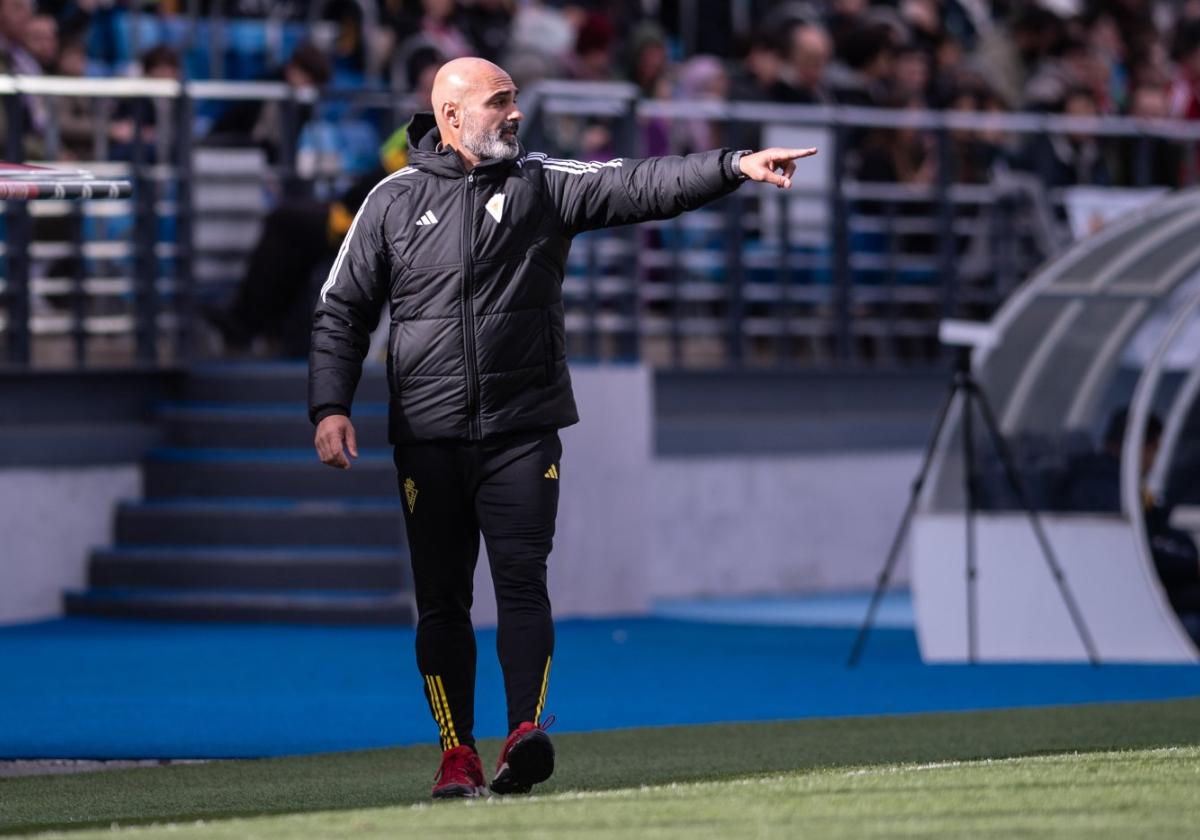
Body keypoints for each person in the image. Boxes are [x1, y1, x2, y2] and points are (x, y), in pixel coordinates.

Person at [307, 56, 817, 799]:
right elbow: (341, 310)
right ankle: (457, 755)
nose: (515, 114)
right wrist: (329, 406)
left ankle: (522, 735)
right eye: (498, 102)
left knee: (522, 584)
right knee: (444, 600)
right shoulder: (391, 200)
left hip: (523, 428)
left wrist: (733, 164)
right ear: (451, 117)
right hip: (429, 434)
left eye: (516, 100)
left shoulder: (542, 183)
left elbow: (639, 184)